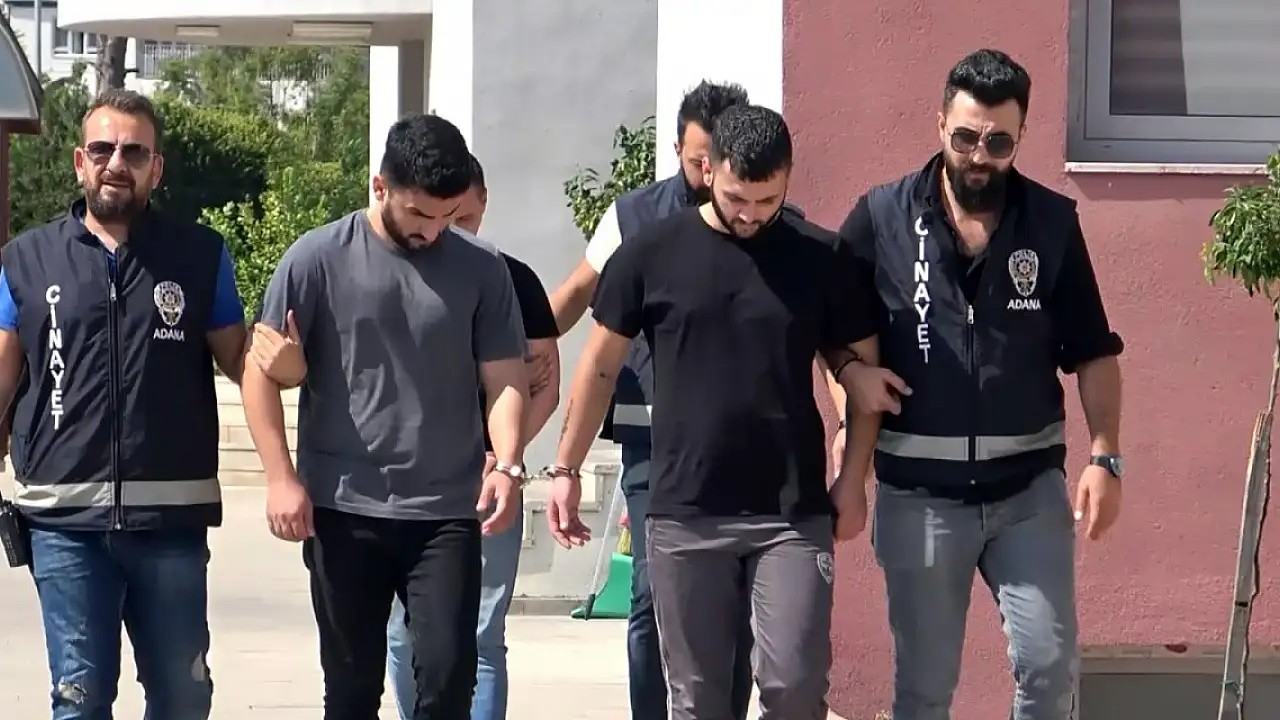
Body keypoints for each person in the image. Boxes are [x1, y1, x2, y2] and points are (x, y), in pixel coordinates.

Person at [548, 104, 882, 720]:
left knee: (794, 687)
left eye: (767, 200)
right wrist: (565, 469)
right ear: (709, 170)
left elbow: (859, 370)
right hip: (686, 511)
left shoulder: (822, 259)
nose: (750, 215)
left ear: (788, 177)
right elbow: (597, 368)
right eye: (736, 199)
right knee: (697, 699)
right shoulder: (650, 253)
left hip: (790, 513)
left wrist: (854, 475)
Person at [833, 49, 1125, 720]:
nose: (978, 156)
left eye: (998, 143)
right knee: (925, 691)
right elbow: (831, 326)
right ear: (940, 125)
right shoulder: (880, 217)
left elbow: (1094, 352)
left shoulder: (1052, 224)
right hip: (920, 495)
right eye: (965, 137)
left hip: (1027, 492)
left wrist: (1105, 455)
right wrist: (849, 381)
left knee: (1050, 671)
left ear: (1020, 137)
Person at [0, 89, 305, 720]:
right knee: (79, 699)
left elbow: (242, 361)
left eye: (134, 152)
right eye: (103, 149)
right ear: (80, 162)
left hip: (171, 521)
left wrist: (286, 372)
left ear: (156, 168)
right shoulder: (25, 261)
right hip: (62, 523)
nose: (117, 163)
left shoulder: (200, 255)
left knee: (184, 696)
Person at [240, 113, 531, 720]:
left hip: (445, 512)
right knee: (352, 691)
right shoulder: (316, 259)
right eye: (420, 213)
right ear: (380, 187)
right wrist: (280, 478)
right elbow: (258, 371)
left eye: (448, 216)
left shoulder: (483, 269)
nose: (433, 230)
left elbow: (505, 378)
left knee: (449, 681)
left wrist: (508, 463)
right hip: (344, 508)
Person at [547, 80, 755, 720]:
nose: (709, 174)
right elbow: (577, 295)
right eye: (697, 161)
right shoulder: (634, 218)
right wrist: (514, 342)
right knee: (650, 594)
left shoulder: (760, 217)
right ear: (678, 151)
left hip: (740, 444)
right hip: (652, 441)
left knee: (732, 602)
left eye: (718, 160)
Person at [384, 153, 561, 720]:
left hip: (487, 481)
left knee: (482, 632)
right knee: (402, 632)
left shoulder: (513, 279)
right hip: (408, 482)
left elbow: (543, 386)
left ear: (483, 202)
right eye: (438, 216)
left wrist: (503, 457)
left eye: (462, 216)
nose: (448, 230)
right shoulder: (397, 269)